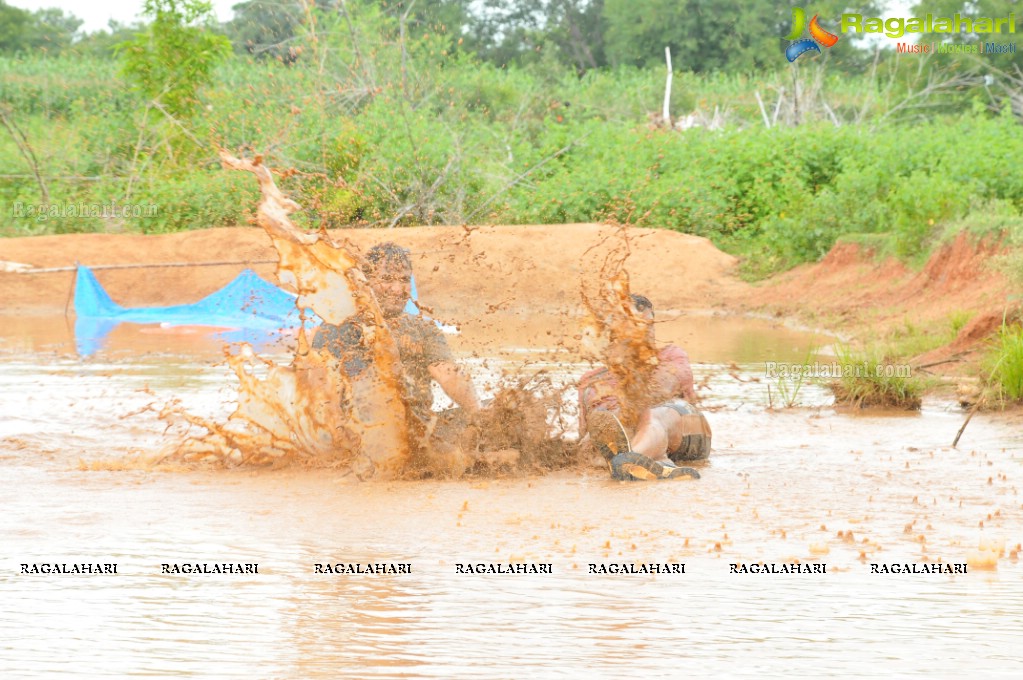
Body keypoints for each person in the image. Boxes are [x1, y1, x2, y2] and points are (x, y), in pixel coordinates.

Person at [311, 242, 481, 471]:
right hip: (361, 438)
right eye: (387, 279)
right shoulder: (339, 329)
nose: (397, 289)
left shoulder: (424, 329)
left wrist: (479, 416)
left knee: (505, 413)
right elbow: (332, 399)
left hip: (419, 432)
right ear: (365, 282)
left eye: (403, 280)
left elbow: (449, 375)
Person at [578, 294, 711, 481]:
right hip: (630, 438)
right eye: (633, 327)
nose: (643, 333)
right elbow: (585, 435)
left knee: (650, 412)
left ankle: (631, 459)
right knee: (597, 429)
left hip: (686, 435)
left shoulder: (671, 356)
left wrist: (633, 372)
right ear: (613, 332)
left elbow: (662, 389)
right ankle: (643, 461)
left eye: (647, 326)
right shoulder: (590, 381)